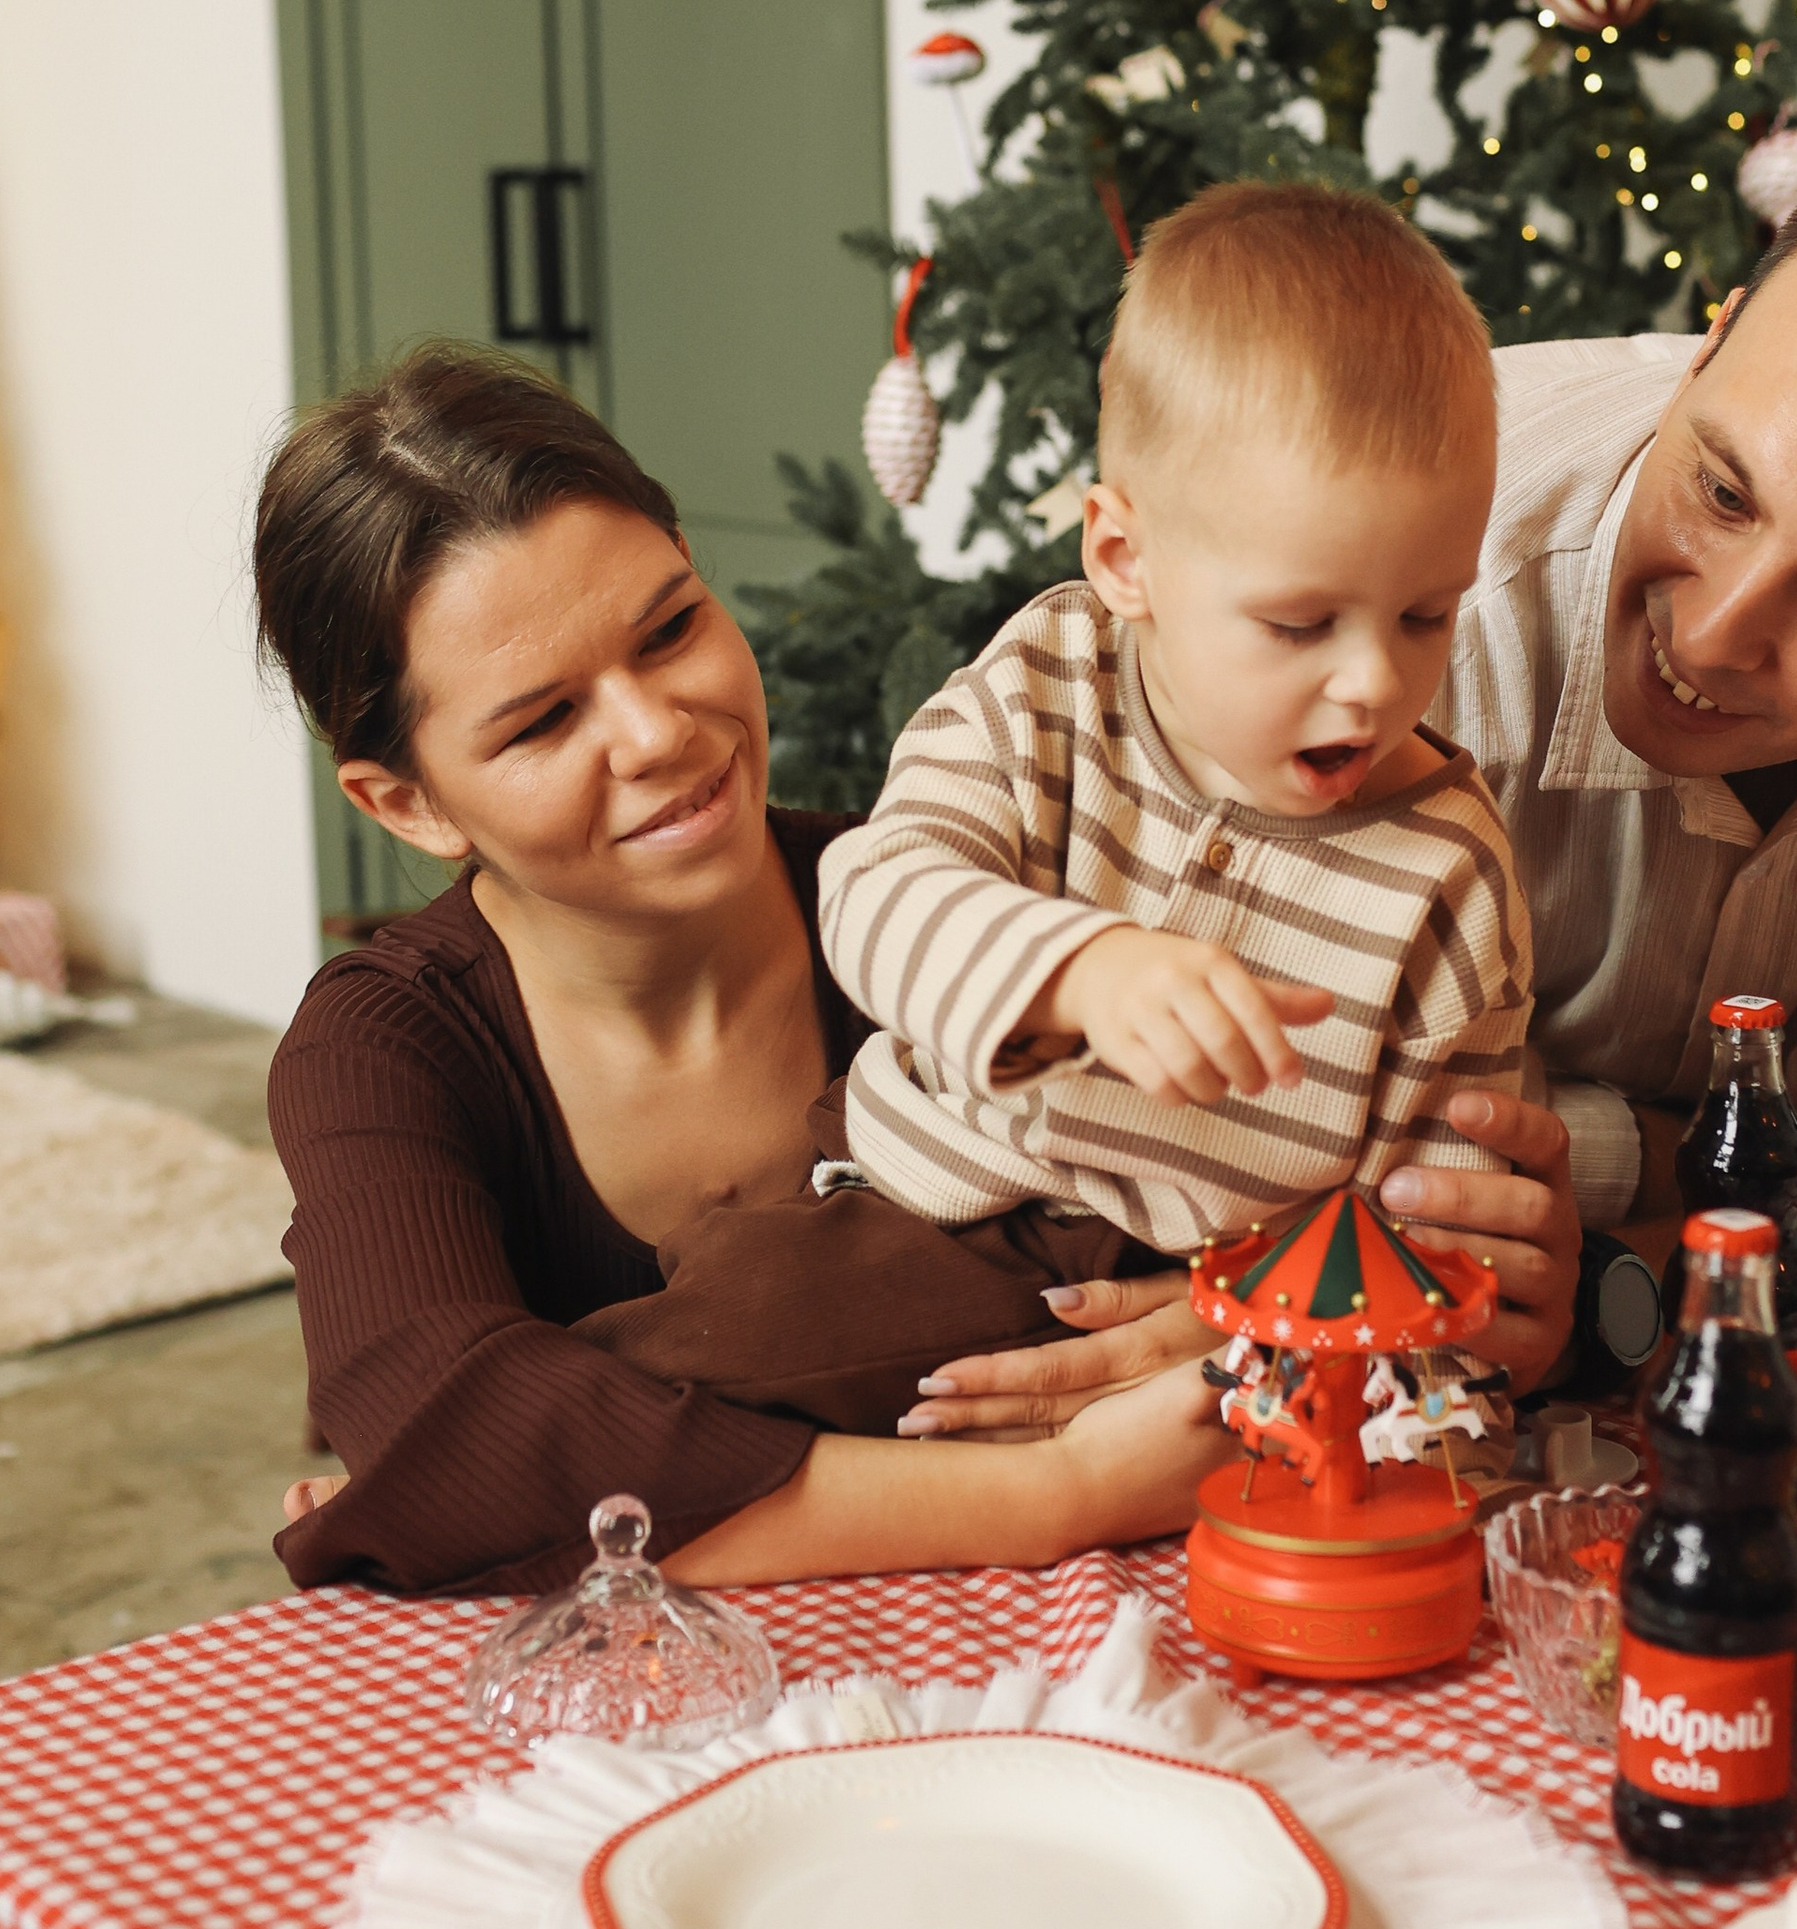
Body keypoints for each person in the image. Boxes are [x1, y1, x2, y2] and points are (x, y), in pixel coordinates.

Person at [904, 148, 1797, 1448]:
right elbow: (1235, 1127)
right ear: (1711, 344)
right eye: (1724, 489)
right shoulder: (1393, 567)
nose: (1717, 627)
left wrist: (1597, 1294)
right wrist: (1705, 1153)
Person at [254, 340, 1579, 1594]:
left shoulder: (984, 897)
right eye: (544, 719)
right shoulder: (387, 1048)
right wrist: (1058, 1491)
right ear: (406, 803)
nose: (660, 731)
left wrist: (1239, 1305)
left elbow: (1363, 1216)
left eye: (670, 629)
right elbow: (451, 1427)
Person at [819, 182, 1534, 1248]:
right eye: (1300, 624)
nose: (1377, 683)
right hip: (912, 1212)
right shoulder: (1043, 685)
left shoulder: (1448, 875)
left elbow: (1432, 1220)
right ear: (1124, 559)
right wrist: (1078, 972)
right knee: (700, 1365)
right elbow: (871, 897)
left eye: (1425, 615)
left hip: (1216, 1312)